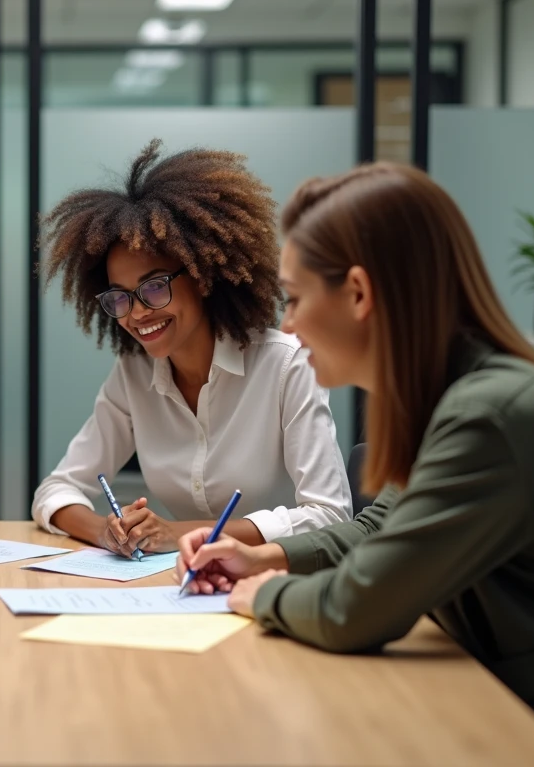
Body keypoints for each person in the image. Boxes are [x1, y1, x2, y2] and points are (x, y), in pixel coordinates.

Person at [176, 162, 534, 754]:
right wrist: (261, 557)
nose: (287, 324)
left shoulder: (491, 415)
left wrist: (259, 594)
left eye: (293, 300)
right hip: (488, 697)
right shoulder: (445, 395)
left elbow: (355, 608)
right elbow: (378, 529)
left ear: (360, 294)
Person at [32, 140, 351, 556]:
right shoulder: (134, 373)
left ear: (201, 277)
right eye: (120, 297)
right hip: (187, 584)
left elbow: (330, 514)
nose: (138, 313)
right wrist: (104, 531)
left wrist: (180, 532)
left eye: (154, 287)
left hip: (280, 579)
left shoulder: (287, 364)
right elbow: (56, 490)